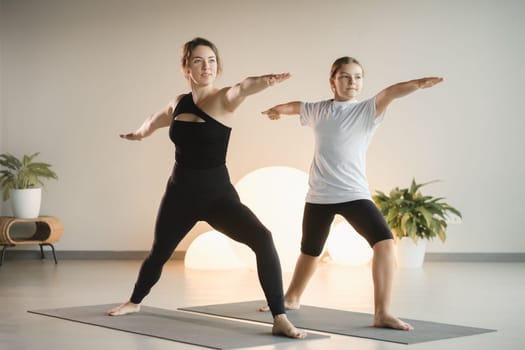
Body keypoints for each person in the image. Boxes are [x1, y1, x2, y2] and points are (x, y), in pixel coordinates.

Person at [107, 37, 306, 339]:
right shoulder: (179, 102)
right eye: (199, 60)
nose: (206, 67)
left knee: (263, 239)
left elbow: (244, 86)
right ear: (186, 66)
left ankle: (279, 316)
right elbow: (154, 120)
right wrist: (138, 134)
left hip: (218, 197)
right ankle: (134, 301)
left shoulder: (224, 98)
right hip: (179, 193)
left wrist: (266, 81)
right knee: (159, 252)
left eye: (212, 60)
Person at [260, 56, 444, 331]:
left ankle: (382, 313)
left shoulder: (367, 111)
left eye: (358, 77)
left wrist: (417, 84)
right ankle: (293, 298)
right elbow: (296, 106)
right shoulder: (319, 109)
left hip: (353, 193)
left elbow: (391, 92)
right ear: (332, 81)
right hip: (319, 195)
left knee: (383, 242)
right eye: (345, 76)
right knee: (310, 251)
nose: (353, 82)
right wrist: (276, 109)